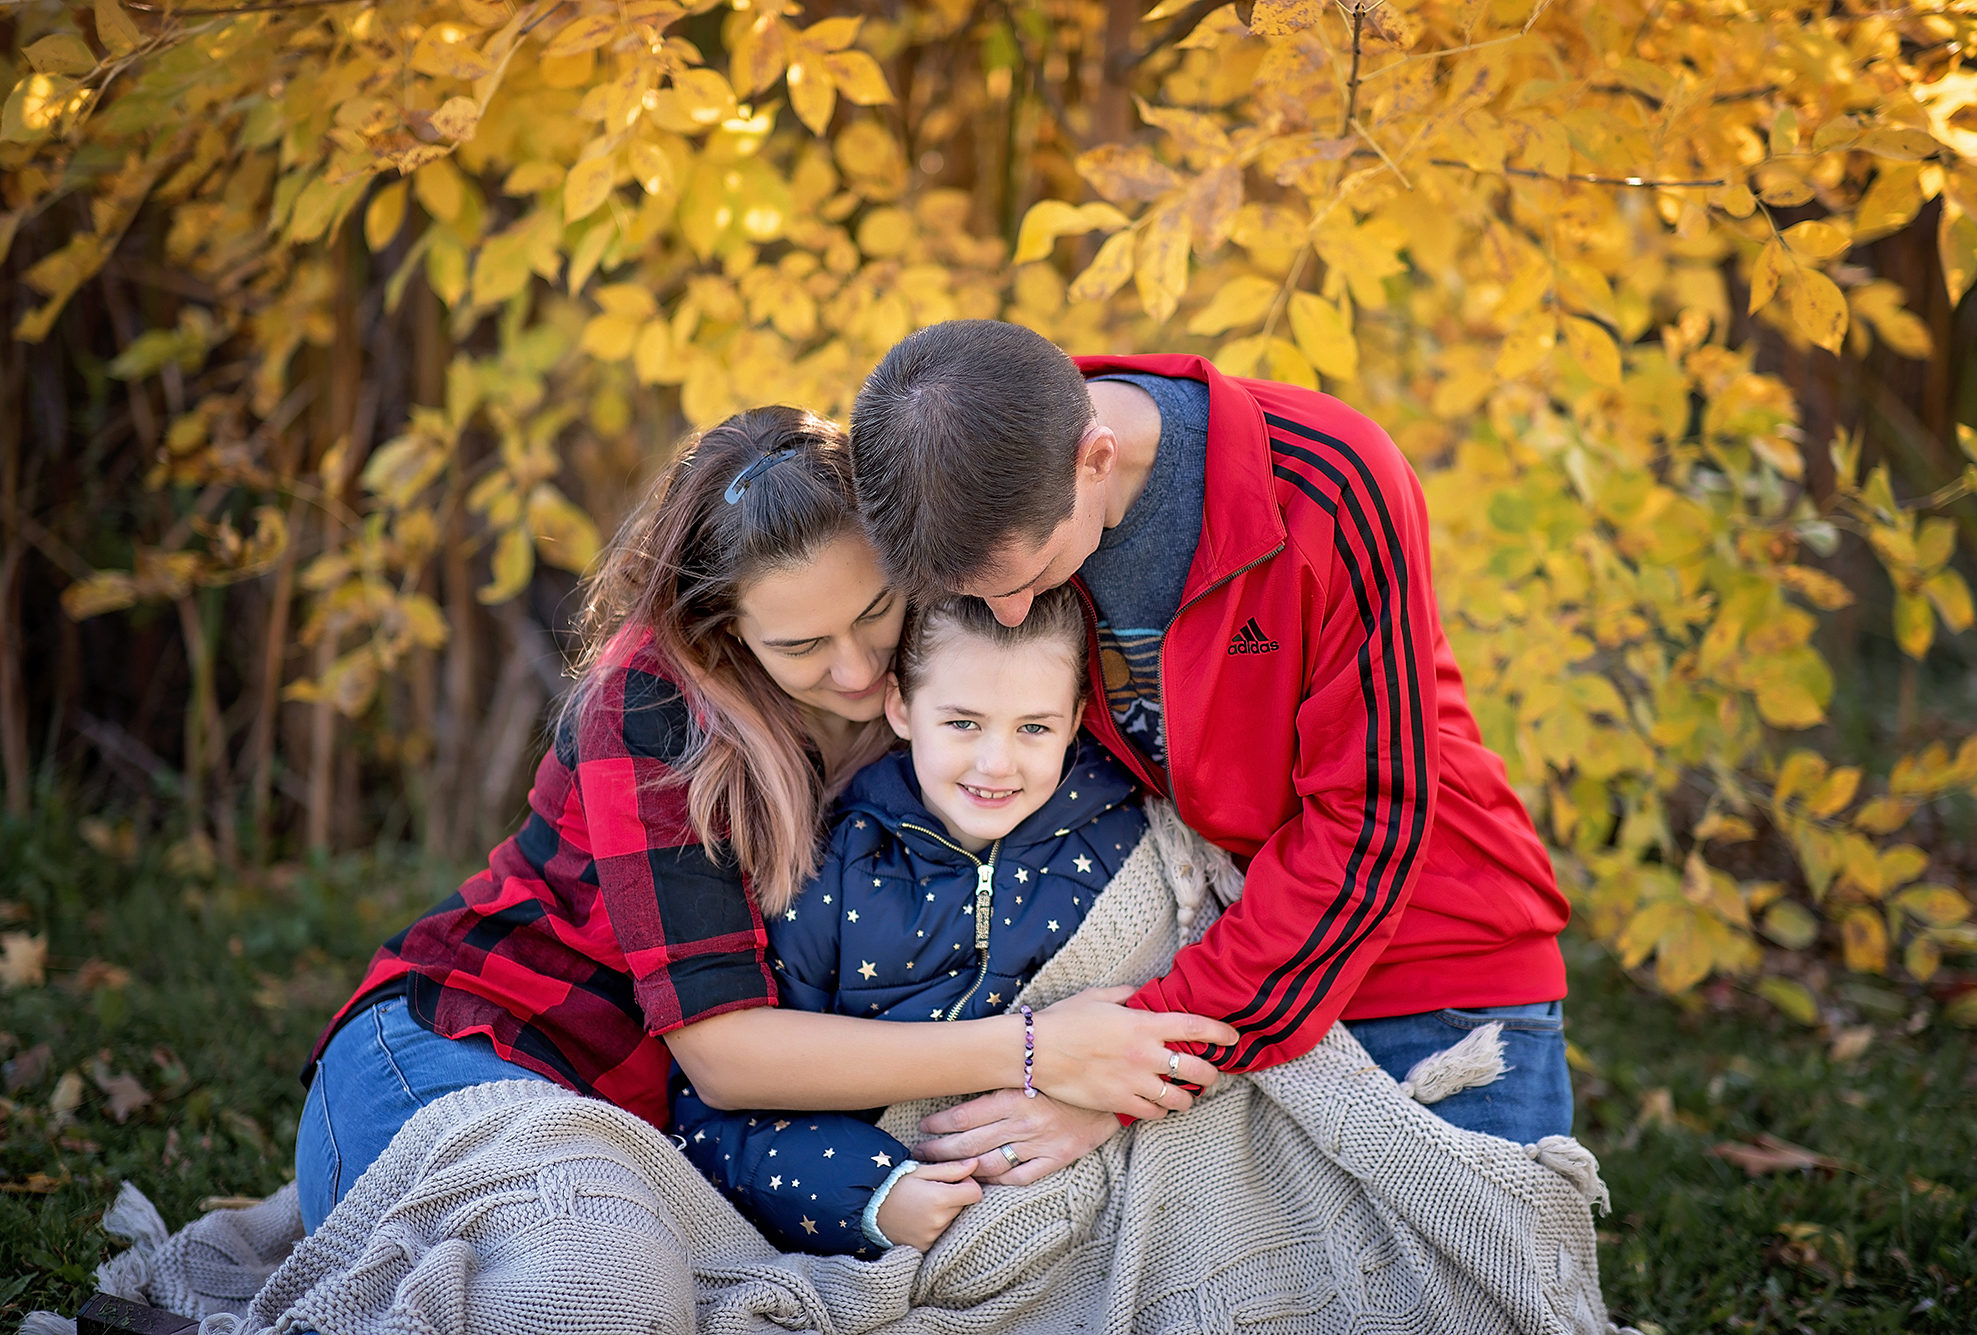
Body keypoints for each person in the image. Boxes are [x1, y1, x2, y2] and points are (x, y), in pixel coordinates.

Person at [294, 405, 1238, 1235]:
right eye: (800, 645)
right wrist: (1039, 1053)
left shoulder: (953, 668)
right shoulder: (656, 704)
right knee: (574, 1274)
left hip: (641, 1129)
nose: (859, 669)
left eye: (874, 613)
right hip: (469, 1045)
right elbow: (728, 1055)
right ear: (724, 630)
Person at [846, 320, 1574, 1166]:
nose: (1009, 617)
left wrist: (1143, 1062)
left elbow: (1370, 821)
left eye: (1031, 579)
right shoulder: (965, 462)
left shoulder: (1331, 481)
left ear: (1097, 458)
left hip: (1431, 967)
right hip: (1209, 969)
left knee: (1488, 1287)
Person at [675, 587, 1144, 1257]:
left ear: (1075, 719)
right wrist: (873, 1195)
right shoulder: (831, 869)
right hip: (924, 1218)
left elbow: (1191, 1007)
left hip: (1110, 1209)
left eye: (1033, 727)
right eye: (962, 723)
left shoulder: (1125, 835)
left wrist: (1104, 1110)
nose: (996, 764)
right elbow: (717, 1116)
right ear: (901, 705)